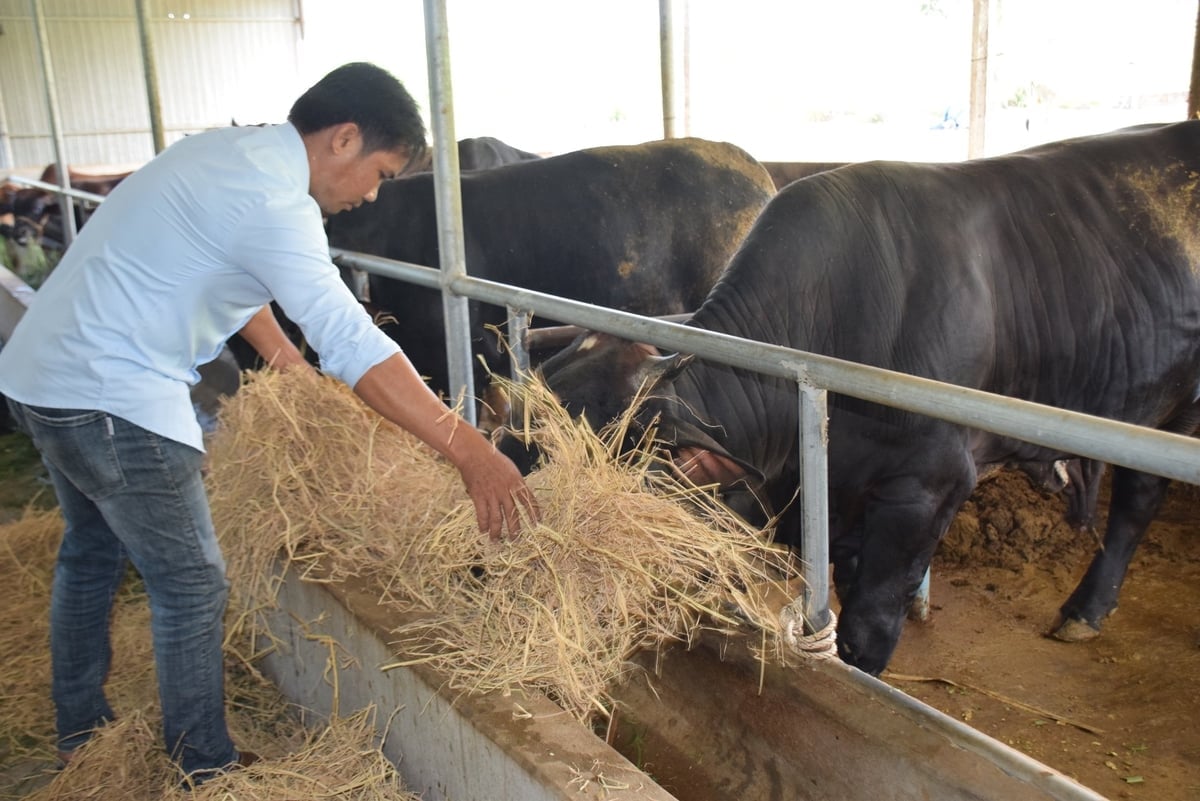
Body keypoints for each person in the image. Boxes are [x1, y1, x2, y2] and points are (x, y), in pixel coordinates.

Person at [0, 62, 540, 785]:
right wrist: (471, 451)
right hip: (112, 398)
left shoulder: (228, 154)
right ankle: (205, 766)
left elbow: (220, 265)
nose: (373, 194)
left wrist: (284, 356)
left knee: (91, 551)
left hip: (43, 376)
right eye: (379, 172)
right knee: (192, 582)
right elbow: (353, 340)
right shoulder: (273, 202)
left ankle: (77, 730)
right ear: (343, 139)